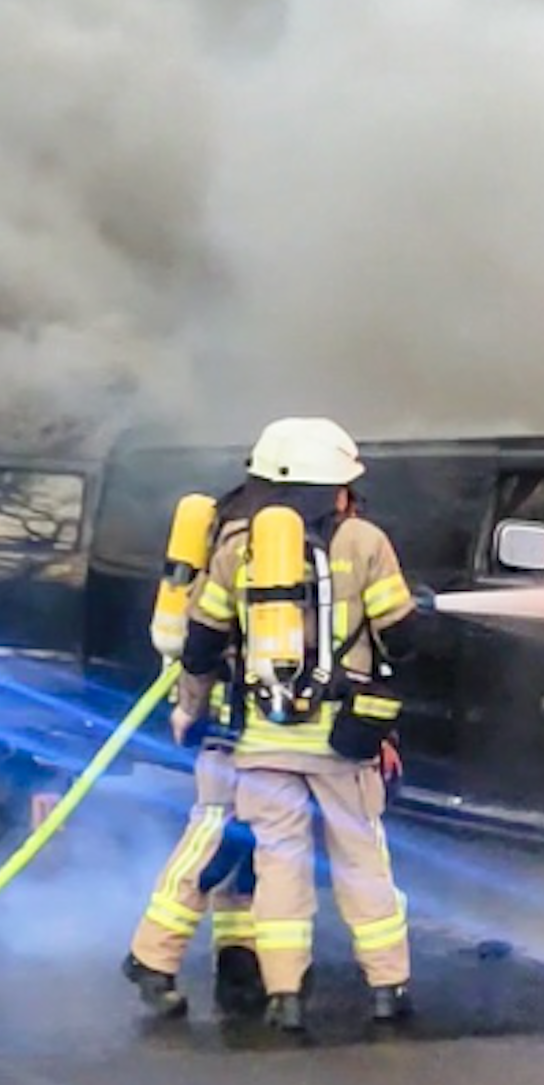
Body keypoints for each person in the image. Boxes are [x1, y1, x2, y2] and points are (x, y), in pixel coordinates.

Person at [175, 417, 420, 1032]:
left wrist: (190, 709)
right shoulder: (366, 542)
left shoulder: (237, 547)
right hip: (343, 741)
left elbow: (200, 646)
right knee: (362, 861)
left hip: (262, 742)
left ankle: (284, 997)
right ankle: (387, 987)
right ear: (338, 486)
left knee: (280, 864)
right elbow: (404, 640)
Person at [121, 479, 268, 1019]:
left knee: (254, 841)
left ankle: (238, 953)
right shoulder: (248, 543)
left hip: (265, 721)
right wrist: (192, 706)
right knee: (215, 830)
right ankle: (150, 956)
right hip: (231, 719)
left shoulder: (266, 530)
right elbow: (206, 638)